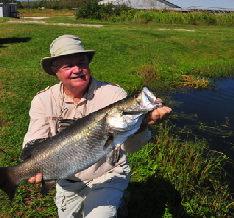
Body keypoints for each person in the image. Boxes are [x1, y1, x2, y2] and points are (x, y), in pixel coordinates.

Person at [22, 34, 172, 218]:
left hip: (108, 174)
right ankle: (119, 200)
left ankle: (115, 197)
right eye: (68, 65)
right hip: (68, 179)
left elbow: (131, 148)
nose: (77, 70)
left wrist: (142, 125)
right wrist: (27, 167)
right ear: (55, 70)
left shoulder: (113, 94)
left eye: (82, 63)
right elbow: (34, 141)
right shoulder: (43, 100)